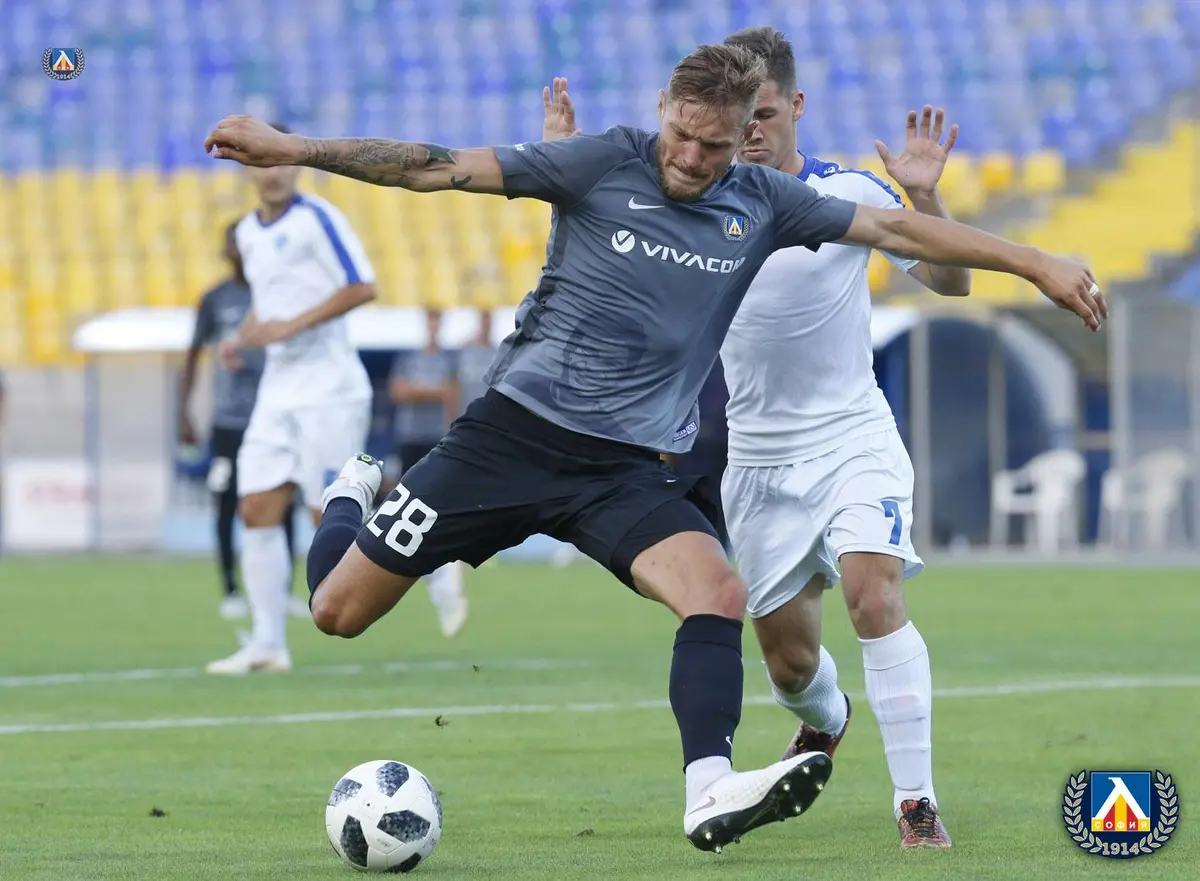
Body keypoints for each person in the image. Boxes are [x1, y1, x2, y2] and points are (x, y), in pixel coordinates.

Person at [204, 44, 1105, 852]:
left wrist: (1037, 261)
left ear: (747, 134)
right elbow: (434, 167)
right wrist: (295, 148)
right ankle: (352, 494)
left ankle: (708, 788)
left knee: (717, 592)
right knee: (336, 611)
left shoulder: (765, 202)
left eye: (714, 146)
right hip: (509, 439)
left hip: (623, 469)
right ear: (663, 110)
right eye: (682, 136)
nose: (692, 159)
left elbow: (902, 231)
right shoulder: (600, 160)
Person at [204, 122, 378, 676]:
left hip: (328, 387)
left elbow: (362, 286)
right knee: (256, 508)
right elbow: (270, 302)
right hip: (278, 390)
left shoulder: (317, 218)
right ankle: (267, 643)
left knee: (328, 512)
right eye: (264, 162)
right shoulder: (247, 234)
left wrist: (289, 327)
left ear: (296, 164)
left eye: (282, 160)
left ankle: (432, 558)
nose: (274, 172)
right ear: (249, 170)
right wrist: (241, 338)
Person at [179, 222, 299, 620]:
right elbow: (193, 355)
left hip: (273, 417)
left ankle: (283, 589)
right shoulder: (215, 299)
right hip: (228, 423)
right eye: (233, 242)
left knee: (281, 501)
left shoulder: (275, 294)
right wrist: (184, 411)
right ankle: (230, 589)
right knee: (227, 502)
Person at [385, 308, 468, 637]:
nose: (433, 326)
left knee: (437, 505)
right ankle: (431, 572)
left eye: (437, 320)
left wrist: (420, 391)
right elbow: (399, 392)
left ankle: (442, 574)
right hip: (410, 438)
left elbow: (452, 396)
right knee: (406, 505)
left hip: (436, 437)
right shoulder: (409, 358)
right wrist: (432, 391)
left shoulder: (448, 359)